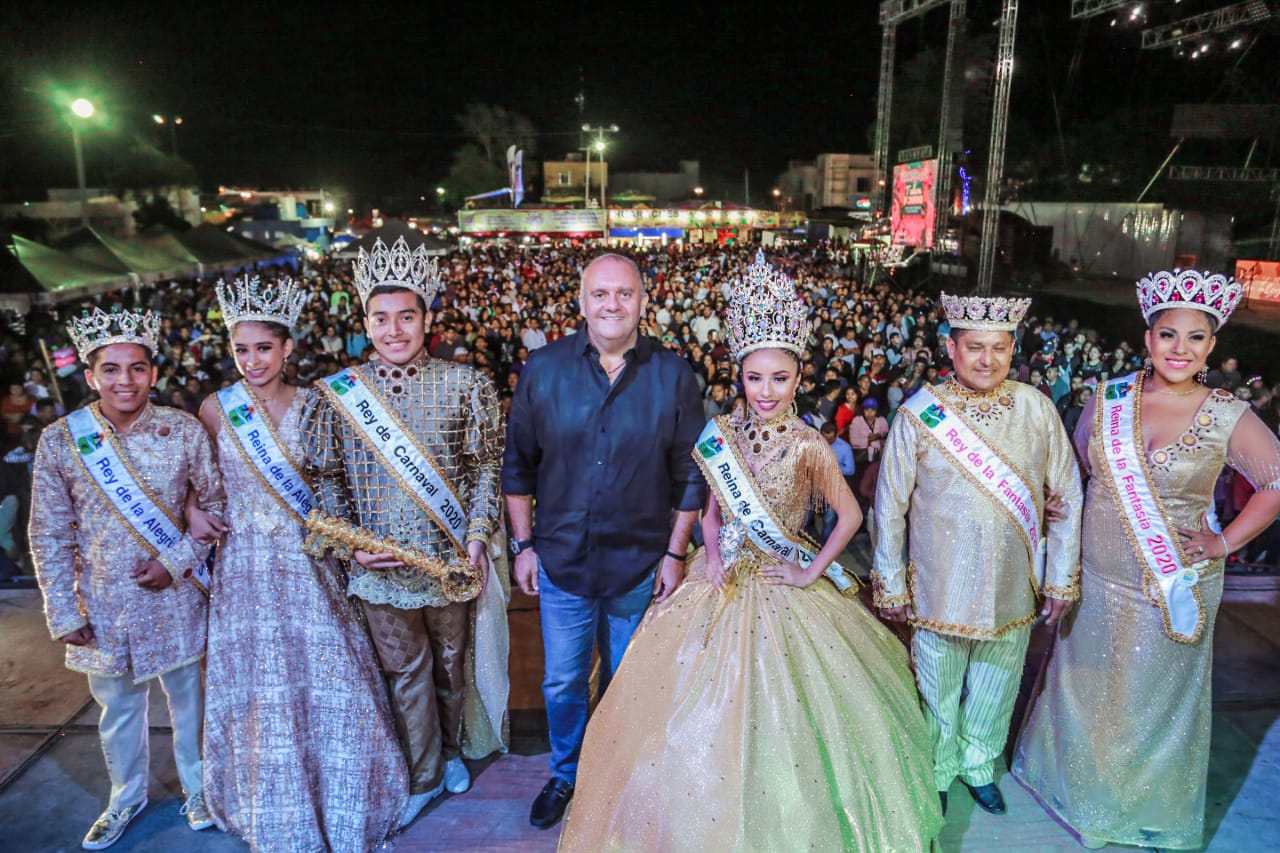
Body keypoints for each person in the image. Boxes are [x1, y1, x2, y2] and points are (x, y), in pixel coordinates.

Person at [557, 251, 943, 852]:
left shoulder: (810, 444)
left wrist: (810, 571)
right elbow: (712, 508)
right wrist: (709, 555)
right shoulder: (722, 436)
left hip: (783, 584)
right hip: (718, 581)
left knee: (790, 716)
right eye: (755, 377)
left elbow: (850, 516)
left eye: (780, 378)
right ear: (739, 375)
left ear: (799, 377)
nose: (766, 391)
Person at [1012, 270, 1280, 850]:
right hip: (1097, 576)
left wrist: (1224, 542)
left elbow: (1275, 483)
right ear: (1148, 338)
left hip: (1172, 583)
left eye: (1195, 338)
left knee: (1149, 702)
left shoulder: (1227, 413)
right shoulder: (1110, 398)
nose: (1180, 349)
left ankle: (1139, 811)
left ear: (1212, 346)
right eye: (1168, 335)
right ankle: (1072, 791)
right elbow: (1077, 476)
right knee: (1084, 688)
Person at [301, 235, 506, 830]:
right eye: (381, 318)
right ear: (365, 322)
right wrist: (353, 547)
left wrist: (475, 537)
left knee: (450, 666)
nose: (394, 330)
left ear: (427, 319)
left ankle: (452, 752)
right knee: (405, 674)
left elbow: (484, 471)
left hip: (448, 563)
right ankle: (422, 774)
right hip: (380, 570)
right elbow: (328, 481)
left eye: (406, 317)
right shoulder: (337, 396)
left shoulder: (465, 385)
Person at [196, 276, 407, 850]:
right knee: (261, 689)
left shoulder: (318, 402)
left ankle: (342, 798)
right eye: (241, 349)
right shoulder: (215, 409)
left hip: (308, 562)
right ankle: (271, 803)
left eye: (264, 348)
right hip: (242, 568)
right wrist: (192, 510)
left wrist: (353, 542)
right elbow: (200, 485)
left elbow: (339, 485)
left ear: (287, 347)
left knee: (329, 677)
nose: (252, 361)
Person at [501, 253, 706, 831]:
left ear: (643, 300)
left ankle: (619, 775)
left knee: (629, 681)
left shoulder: (672, 374)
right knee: (563, 681)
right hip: (561, 558)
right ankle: (566, 774)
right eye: (600, 294)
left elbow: (690, 475)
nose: (612, 304)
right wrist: (523, 545)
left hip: (640, 563)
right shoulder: (544, 368)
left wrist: (675, 553)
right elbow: (518, 465)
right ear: (582, 302)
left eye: (624, 293)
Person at [873, 292, 1083, 816]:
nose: (987, 360)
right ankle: (938, 768)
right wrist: (891, 581)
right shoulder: (920, 414)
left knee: (998, 684)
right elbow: (889, 506)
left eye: (999, 348)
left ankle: (979, 763)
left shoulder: (1036, 407)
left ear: (1013, 350)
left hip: (1013, 587)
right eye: (974, 347)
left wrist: (1060, 577)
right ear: (951, 347)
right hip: (938, 587)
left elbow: (1067, 494)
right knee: (936, 689)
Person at [29, 307, 224, 849]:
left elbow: (216, 509)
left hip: (176, 597)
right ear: (90, 376)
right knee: (117, 711)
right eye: (111, 369)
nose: (125, 380)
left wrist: (176, 562)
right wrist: (62, 610)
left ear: (153, 373)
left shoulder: (182, 430)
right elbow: (48, 531)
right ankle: (125, 797)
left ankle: (199, 789)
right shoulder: (62, 440)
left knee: (190, 703)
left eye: (137, 368)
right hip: (102, 604)